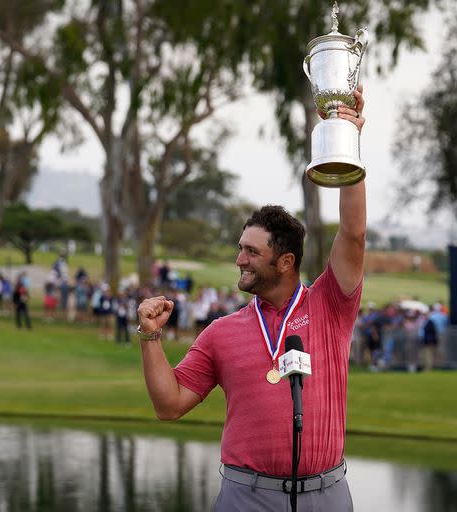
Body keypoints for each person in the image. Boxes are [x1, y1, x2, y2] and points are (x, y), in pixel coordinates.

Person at [136, 82, 366, 512]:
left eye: (251, 251)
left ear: (285, 262)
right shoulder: (221, 333)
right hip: (247, 497)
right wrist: (149, 337)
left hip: (327, 496)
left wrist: (347, 141)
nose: (239, 258)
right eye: (240, 247)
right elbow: (169, 406)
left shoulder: (330, 305)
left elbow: (352, 233)